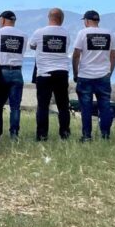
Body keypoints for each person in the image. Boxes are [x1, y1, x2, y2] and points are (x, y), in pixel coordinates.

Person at [72, 10, 115, 142]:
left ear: (86, 21)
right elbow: (113, 55)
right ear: (98, 21)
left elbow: (76, 54)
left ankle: (86, 136)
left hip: (85, 75)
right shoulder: (109, 34)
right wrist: (110, 72)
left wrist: (75, 73)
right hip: (103, 75)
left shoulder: (83, 33)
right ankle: (105, 135)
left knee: (86, 107)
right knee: (105, 106)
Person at [29, 8, 71, 141]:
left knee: (43, 106)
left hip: (44, 73)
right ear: (62, 19)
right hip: (62, 72)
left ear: (49, 17)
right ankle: (64, 134)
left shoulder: (39, 32)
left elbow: (32, 45)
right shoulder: (66, 34)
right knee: (63, 106)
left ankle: (42, 135)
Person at [0, 10, 27, 139]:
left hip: (0, 72)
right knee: (15, 107)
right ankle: (14, 134)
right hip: (17, 72)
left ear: (3, 20)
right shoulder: (23, 35)